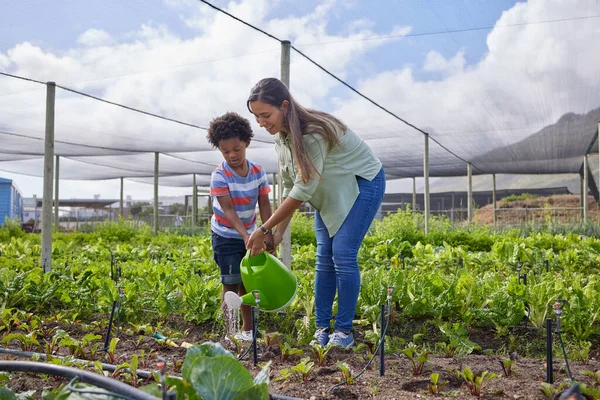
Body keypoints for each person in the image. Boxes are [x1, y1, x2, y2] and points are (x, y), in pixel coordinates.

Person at [245, 78, 385, 349]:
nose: (261, 122)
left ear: (284, 106)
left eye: (266, 115)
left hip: (362, 182)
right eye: (256, 117)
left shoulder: (313, 133)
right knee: (324, 256)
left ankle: (343, 332)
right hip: (329, 191)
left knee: (342, 253)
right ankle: (322, 328)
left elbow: (303, 188)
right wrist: (277, 232)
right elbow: (289, 186)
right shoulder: (282, 139)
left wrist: (262, 230)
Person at [207, 111, 274, 342]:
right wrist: (247, 235)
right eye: (225, 151)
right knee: (231, 282)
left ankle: (248, 331)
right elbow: (228, 210)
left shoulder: (258, 172)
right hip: (225, 236)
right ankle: (230, 332)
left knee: (248, 282)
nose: (232, 155)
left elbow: (264, 203)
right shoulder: (219, 175)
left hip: (251, 233)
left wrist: (267, 233)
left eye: (236, 149)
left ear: (247, 142)